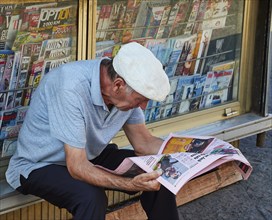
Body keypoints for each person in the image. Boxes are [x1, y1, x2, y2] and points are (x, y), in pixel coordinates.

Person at [6, 42, 179, 220]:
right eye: (140, 99)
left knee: (160, 172)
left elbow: (144, 143)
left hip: (87, 154)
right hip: (40, 164)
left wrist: (194, 152)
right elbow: (77, 167)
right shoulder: (70, 87)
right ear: (118, 85)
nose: (142, 107)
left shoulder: (126, 90)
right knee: (91, 198)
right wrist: (129, 184)